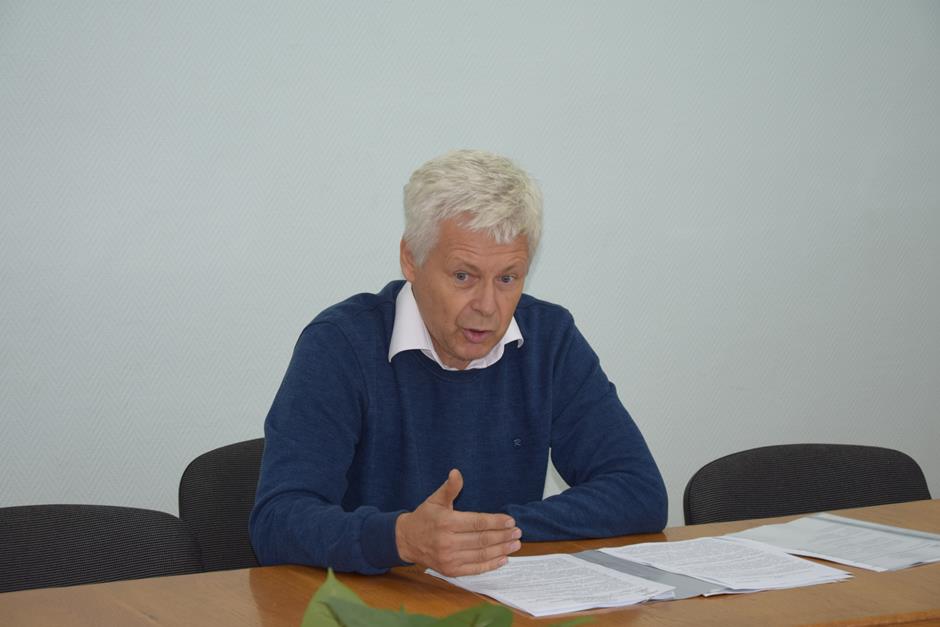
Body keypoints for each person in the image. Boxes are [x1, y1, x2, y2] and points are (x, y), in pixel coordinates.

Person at [249, 149, 667, 577]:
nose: (487, 306)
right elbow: (278, 520)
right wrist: (401, 538)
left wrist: (487, 532)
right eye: (463, 276)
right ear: (411, 259)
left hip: (498, 601)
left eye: (507, 278)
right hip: (372, 603)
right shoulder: (341, 344)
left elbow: (638, 492)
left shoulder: (549, 340)